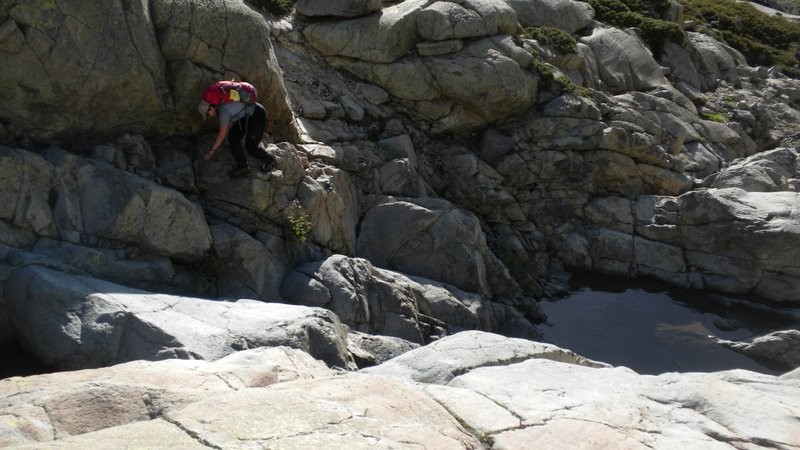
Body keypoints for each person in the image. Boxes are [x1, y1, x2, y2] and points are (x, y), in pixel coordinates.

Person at [198, 99, 276, 178]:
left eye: (208, 114)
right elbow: (226, 126)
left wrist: (211, 152)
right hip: (245, 116)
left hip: (257, 114)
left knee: (251, 146)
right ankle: (243, 168)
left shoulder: (223, 111)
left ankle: (270, 160)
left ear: (211, 108)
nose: (209, 116)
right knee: (233, 138)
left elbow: (221, 135)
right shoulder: (221, 107)